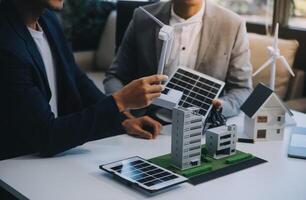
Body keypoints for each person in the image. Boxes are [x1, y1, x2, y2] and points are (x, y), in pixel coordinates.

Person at [0, 0, 168, 160]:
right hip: (19, 165)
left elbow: (77, 79)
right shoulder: (7, 46)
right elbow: (46, 136)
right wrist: (120, 101)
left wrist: (124, 120)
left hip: (56, 156)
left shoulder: (48, 20)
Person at [104, 0, 253, 123]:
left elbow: (242, 89)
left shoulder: (232, 25)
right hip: (146, 123)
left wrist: (220, 107)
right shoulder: (143, 17)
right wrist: (125, 114)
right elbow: (115, 76)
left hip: (201, 127)